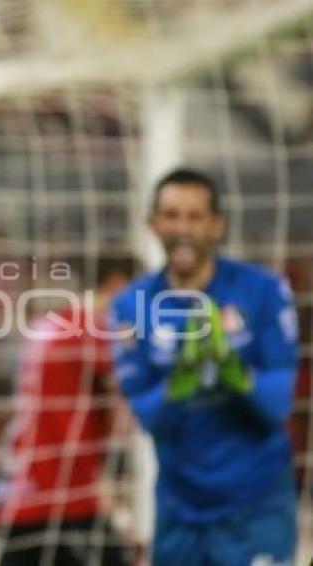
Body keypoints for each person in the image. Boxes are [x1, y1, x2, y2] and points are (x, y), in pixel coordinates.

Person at [110, 168, 299, 565]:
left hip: (255, 503)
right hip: (180, 509)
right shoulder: (131, 306)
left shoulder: (263, 290)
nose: (183, 228)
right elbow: (147, 417)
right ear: (152, 224)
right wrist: (181, 382)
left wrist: (234, 372)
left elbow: (279, 404)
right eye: (172, 215)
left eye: (194, 217)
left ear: (217, 226)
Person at [0, 257, 137, 566]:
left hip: (25, 483)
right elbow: (128, 395)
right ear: (117, 285)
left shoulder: (48, 324)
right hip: (66, 494)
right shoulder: (92, 329)